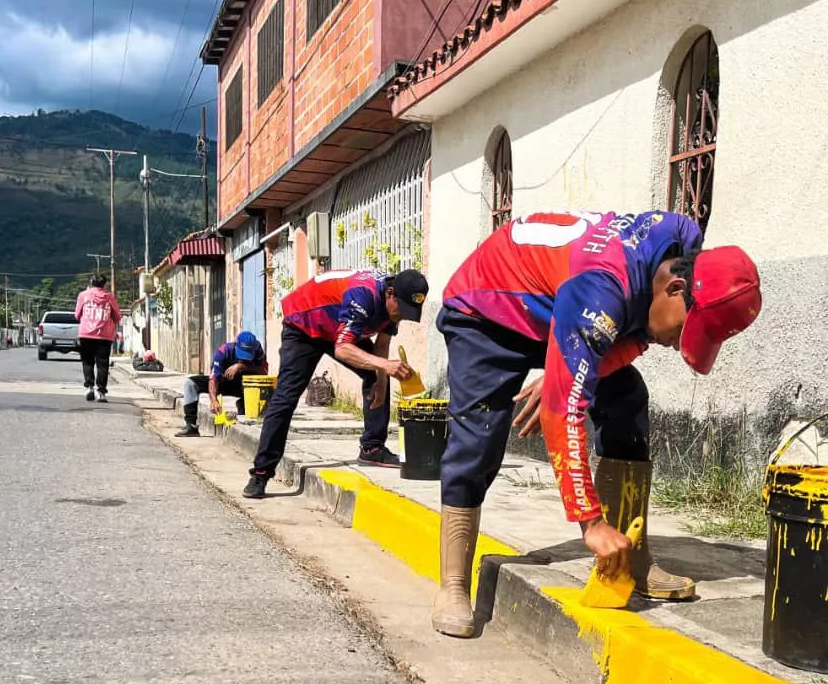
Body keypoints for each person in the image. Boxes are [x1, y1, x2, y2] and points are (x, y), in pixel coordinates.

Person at [431, 210, 762, 638]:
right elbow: (562, 412)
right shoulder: (602, 290)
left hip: (559, 306)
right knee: (479, 437)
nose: (678, 343)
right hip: (490, 308)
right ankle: (453, 584)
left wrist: (564, 372)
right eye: (685, 329)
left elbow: (635, 335)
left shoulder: (682, 246)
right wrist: (590, 522)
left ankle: (629, 558)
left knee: (627, 399)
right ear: (675, 288)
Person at [243, 268, 429, 499]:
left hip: (337, 330)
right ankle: (261, 473)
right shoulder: (364, 295)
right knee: (285, 398)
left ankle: (372, 448)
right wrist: (384, 365)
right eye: (401, 310)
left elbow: (381, 345)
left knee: (377, 373)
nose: (400, 316)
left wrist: (381, 381)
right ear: (390, 294)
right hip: (304, 326)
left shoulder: (395, 304)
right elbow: (343, 349)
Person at [176, 331, 268, 437]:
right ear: (235, 345)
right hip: (224, 382)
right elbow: (213, 378)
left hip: (245, 386)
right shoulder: (223, 351)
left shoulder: (258, 350)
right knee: (190, 384)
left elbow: (264, 372)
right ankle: (191, 426)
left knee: (267, 388)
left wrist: (241, 367)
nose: (243, 359)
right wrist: (214, 400)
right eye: (241, 354)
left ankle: (243, 405)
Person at [75, 274, 122, 402]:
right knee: (103, 364)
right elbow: (117, 316)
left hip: (86, 334)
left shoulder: (83, 295)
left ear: (91, 283)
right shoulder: (110, 297)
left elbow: (77, 315)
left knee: (87, 362)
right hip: (104, 336)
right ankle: (101, 392)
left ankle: (89, 387)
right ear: (104, 284)